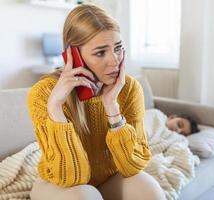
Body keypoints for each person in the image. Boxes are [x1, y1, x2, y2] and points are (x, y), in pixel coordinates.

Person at [27, 4, 165, 200]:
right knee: (84, 195)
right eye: (100, 53)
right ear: (74, 56)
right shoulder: (44, 93)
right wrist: (55, 108)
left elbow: (132, 166)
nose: (115, 61)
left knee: (150, 190)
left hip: (107, 178)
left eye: (118, 48)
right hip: (59, 183)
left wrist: (112, 108)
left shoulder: (129, 88)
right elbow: (71, 177)